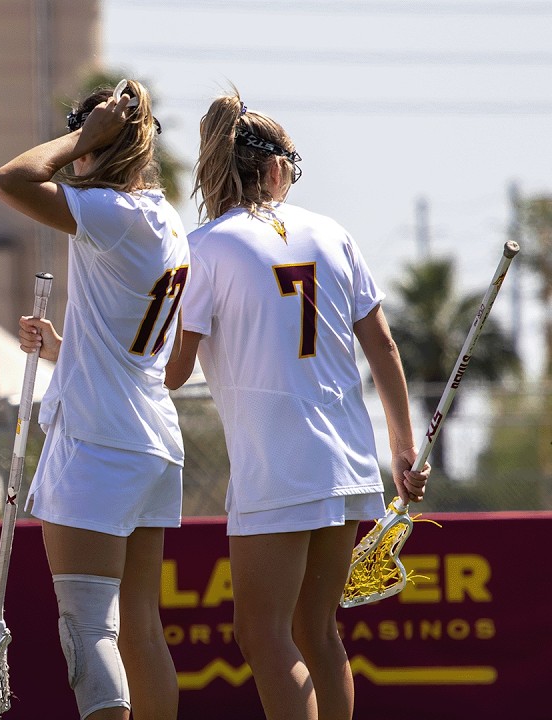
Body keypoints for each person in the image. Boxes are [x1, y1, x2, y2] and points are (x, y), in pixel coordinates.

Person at [166, 91, 430, 720]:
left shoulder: (204, 246)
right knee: (317, 628)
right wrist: (402, 447)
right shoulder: (332, 233)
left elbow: (174, 372)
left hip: (278, 466)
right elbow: (383, 345)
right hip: (346, 459)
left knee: (261, 634)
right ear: (276, 166)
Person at [0, 80, 186, 720]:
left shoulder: (115, 211)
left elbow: (12, 180)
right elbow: (127, 342)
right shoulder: (166, 218)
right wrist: (60, 348)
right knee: (140, 624)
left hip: (103, 441)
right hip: (150, 433)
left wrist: (84, 137)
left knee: (87, 626)